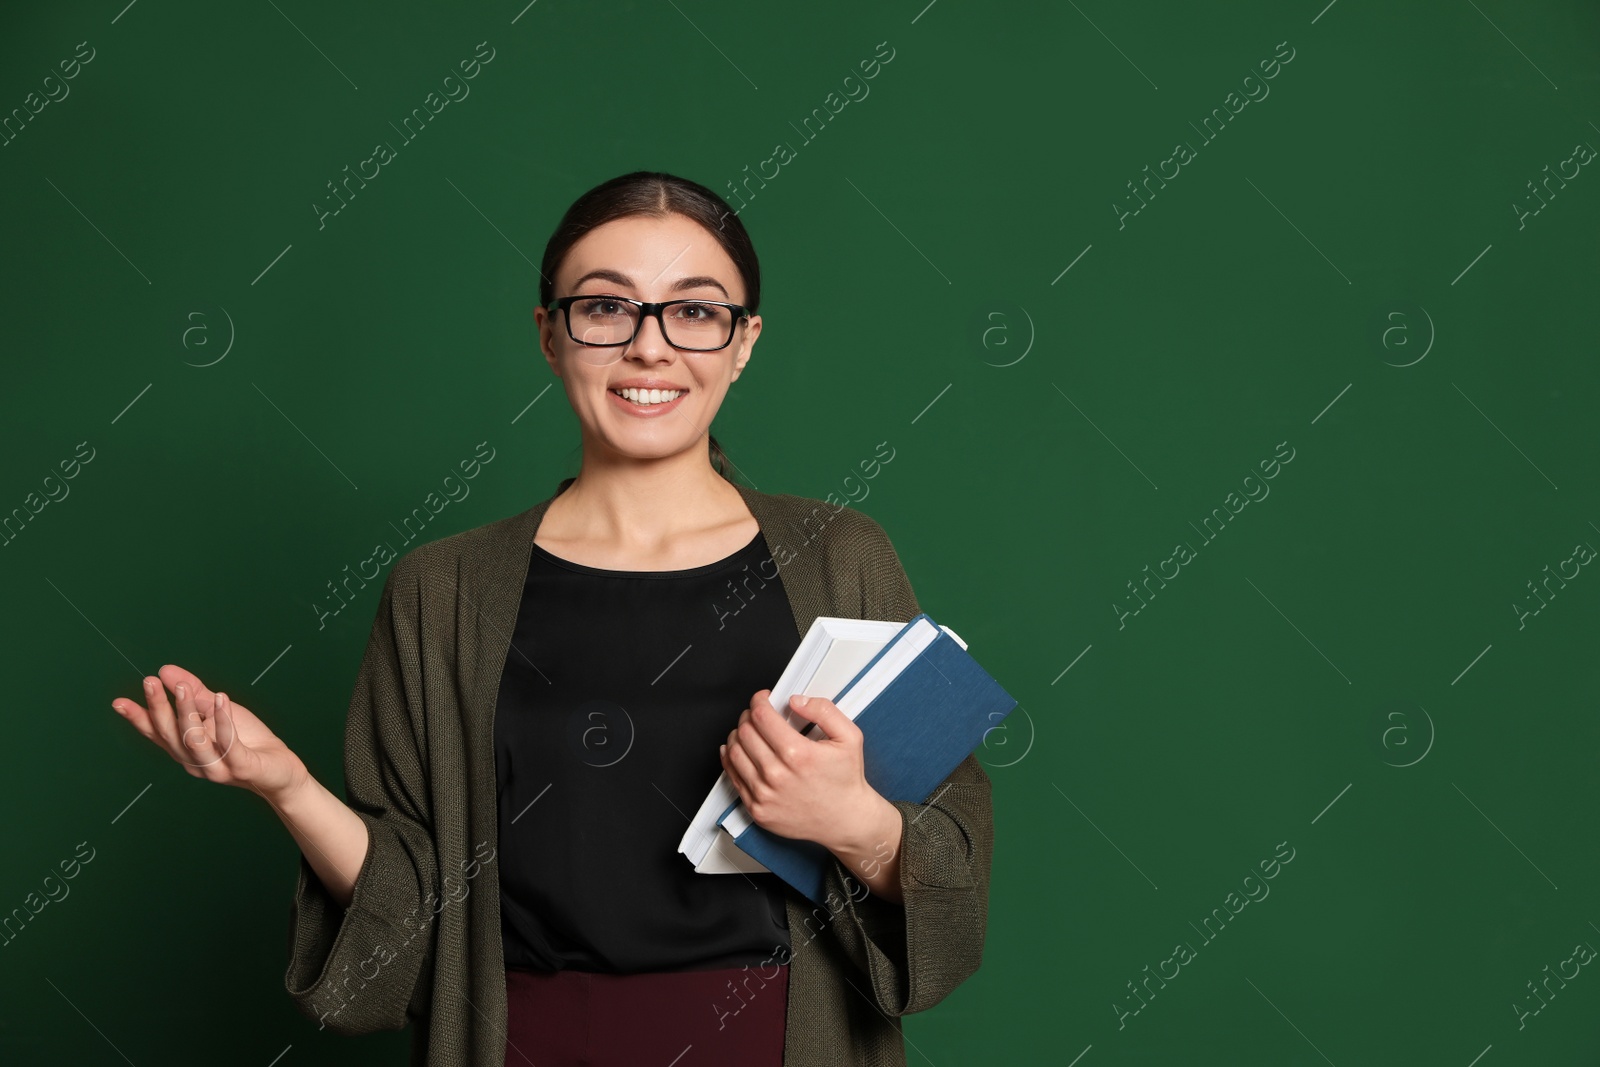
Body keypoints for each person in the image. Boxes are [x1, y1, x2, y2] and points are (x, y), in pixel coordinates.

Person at [110, 171, 993, 1067]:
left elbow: (949, 862)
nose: (650, 348)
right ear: (549, 334)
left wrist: (853, 820)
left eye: (694, 312)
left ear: (744, 342)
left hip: (780, 1042)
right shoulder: (441, 589)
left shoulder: (839, 557)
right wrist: (286, 785)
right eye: (607, 307)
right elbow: (414, 910)